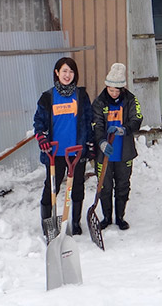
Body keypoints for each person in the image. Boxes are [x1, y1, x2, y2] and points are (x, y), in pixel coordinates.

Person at [34, 57, 93, 236]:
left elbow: (88, 120)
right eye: (64, 71)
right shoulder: (48, 97)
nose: (68, 75)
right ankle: (48, 225)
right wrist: (42, 138)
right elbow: (39, 122)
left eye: (71, 71)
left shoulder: (81, 96)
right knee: (51, 187)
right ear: (57, 72)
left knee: (77, 187)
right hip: (55, 153)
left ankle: (75, 222)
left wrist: (90, 144)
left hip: (76, 152)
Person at [92, 63, 143, 231]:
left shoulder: (130, 100)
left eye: (117, 90)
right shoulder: (99, 102)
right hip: (105, 153)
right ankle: (107, 216)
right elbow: (97, 124)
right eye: (111, 89)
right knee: (105, 186)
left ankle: (120, 217)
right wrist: (101, 141)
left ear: (123, 88)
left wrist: (125, 129)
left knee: (122, 185)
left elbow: (137, 119)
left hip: (124, 152)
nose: (113, 93)